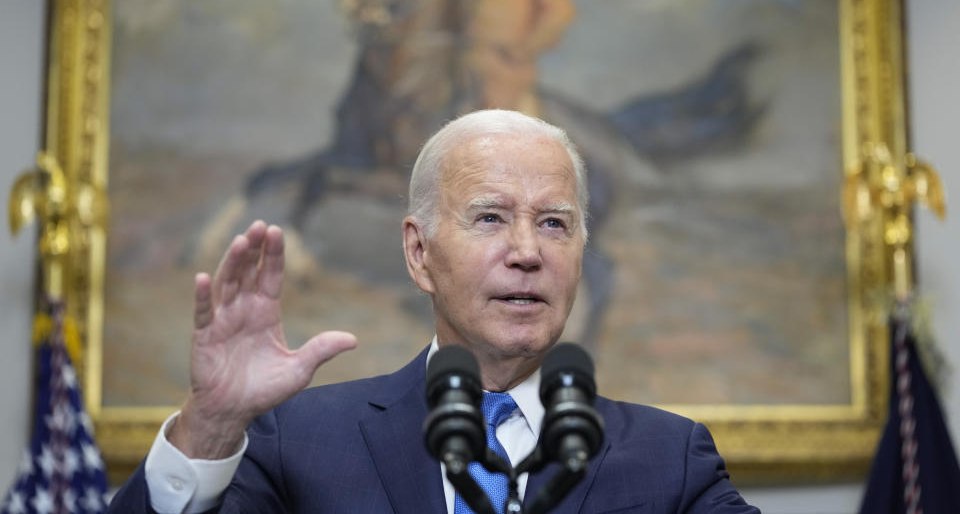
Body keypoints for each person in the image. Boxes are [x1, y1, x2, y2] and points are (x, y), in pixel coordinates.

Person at [109, 109, 758, 513]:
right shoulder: (297, 444)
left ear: (583, 252)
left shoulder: (669, 459)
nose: (528, 252)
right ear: (419, 254)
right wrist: (211, 428)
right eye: (490, 218)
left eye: (555, 224)